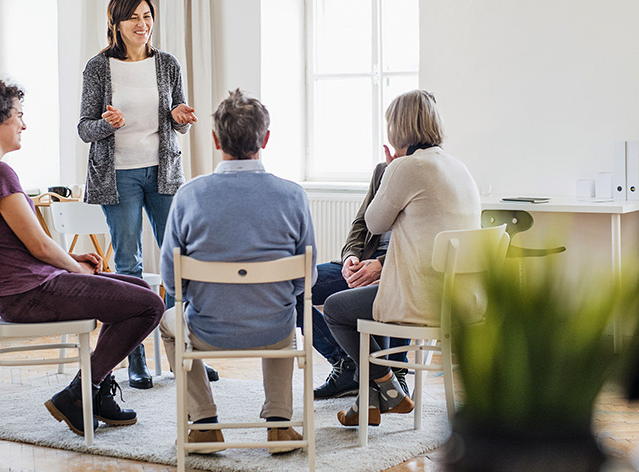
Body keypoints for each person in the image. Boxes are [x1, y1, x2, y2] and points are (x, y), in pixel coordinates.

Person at [0, 79, 165, 437]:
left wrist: (72, 261)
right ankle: (83, 391)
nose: (23, 124)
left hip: (25, 288)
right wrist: (79, 269)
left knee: (134, 286)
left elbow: (24, 245)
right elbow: (38, 246)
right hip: (29, 294)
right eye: (19, 116)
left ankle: (90, 392)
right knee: (149, 305)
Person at [159, 89, 317, 454]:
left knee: (167, 325)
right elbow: (304, 279)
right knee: (285, 316)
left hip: (206, 331)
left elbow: (171, 281)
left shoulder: (189, 195)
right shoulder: (293, 196)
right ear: (265, 139)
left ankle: (204, 424)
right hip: (273, 330)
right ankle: (279, 427)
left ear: (215, 140)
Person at [323, 89, 481, 427]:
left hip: (419, 298)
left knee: (337, 309)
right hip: (459, 299)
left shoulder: (406, 167)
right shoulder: (457, 167)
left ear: (397, 128)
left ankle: (388, 386)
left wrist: (393, 172)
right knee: (357, 302)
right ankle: (367, 403)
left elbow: (374, 222)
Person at [77, 0, 205, 389]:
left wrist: (180, 117)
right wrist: (107, 124)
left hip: (163, 172)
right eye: (132, 17)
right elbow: (85, 128)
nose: (142, 24)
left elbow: (178, 119)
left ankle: (185, 353)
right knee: (129, 267)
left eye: (147, 16)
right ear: (115, 23)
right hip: (118, 177)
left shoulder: (167, 64)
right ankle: (135, 361)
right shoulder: (98, 68)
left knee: (177, 263)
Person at [295, 161, 410, 399]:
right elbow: (361, 223)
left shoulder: (424, 173)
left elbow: (422, 245)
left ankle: (395, 371)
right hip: (363, 261)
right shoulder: (383, 170)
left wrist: (382, 265)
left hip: (399, 267)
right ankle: (345, 363)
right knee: (294, 287)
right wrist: (351, 257)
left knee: (395, 288)